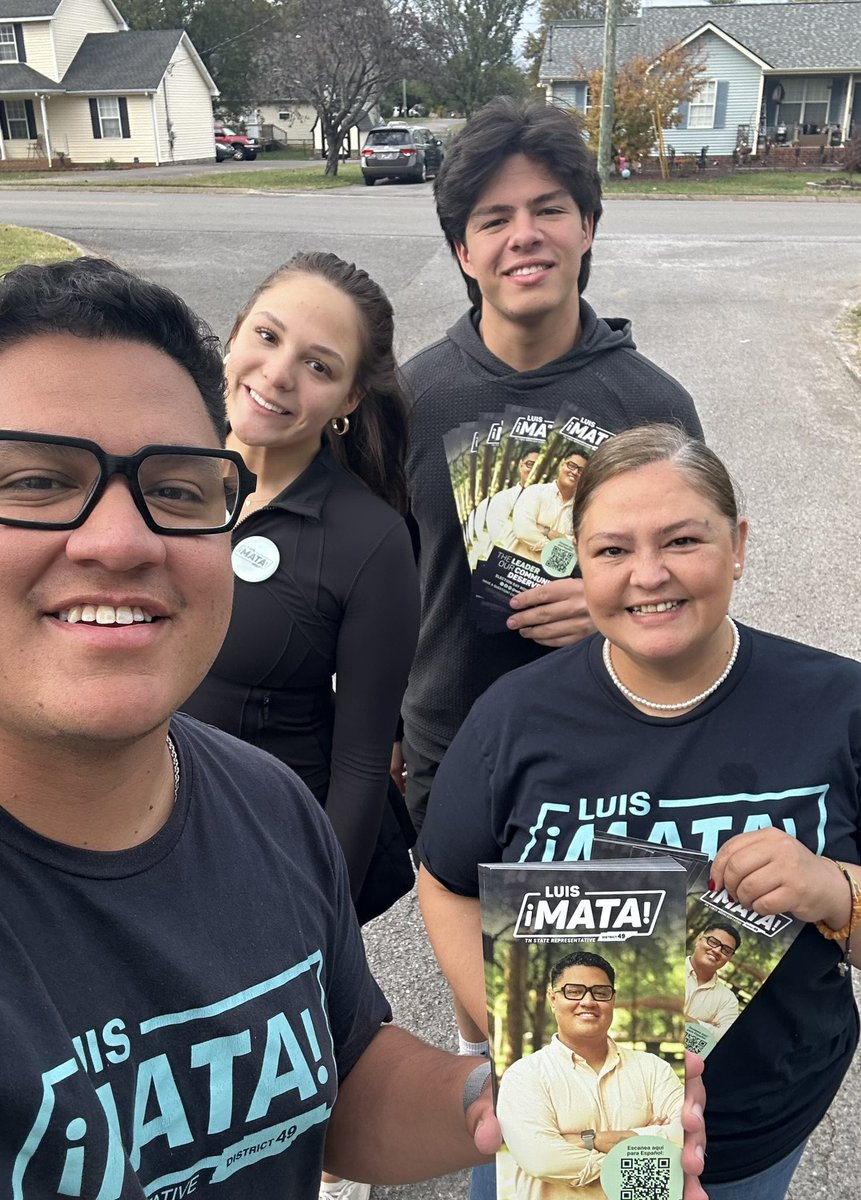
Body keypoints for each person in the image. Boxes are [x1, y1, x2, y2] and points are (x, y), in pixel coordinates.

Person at [0, 256, 508, 1198]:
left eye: (180, 491)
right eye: (37, 480)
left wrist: (514, 1098)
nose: (120, 540)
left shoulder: (270, 809)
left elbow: (338, 1082)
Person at [418, 424, 861, 1200]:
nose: (647, 575)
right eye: (612, 550)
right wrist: (510, 1031)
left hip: (752, 1130)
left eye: (682, 539)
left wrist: (833, 892)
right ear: (580, 565)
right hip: (558, 1127)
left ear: (737, 546)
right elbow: (447, 879)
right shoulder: (512, 719)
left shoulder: (838, 705)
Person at [398, 96, 702, 852]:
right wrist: (380, 730)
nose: (523, 236)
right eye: (493, 219)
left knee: (605, 971)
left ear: (587, 227)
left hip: (617, 749)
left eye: (548, 209)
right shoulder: (408, 402)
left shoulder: (653, 406)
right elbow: (377, 589)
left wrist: (610, 612)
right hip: (453, 748)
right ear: (463, 251)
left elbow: (700, 591)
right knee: (474, 968)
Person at [183, 252, 420, 932]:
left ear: (348, 400)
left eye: (318, 366)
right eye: (267, 335)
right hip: (122, 830)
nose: (278, 374)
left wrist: (321, 919)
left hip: (263, 852)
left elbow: (361, 762)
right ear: (233, 334)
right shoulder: (150, 470)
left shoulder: (369, 542)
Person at [496, 952, 684, 1200]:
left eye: (600, 992)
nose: (588, 1001)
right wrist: (648, 1156)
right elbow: (542, 1159)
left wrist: (587, 1140)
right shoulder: (524, 1076)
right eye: (574, 991)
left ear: (612, 1000)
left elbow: (687, 1134)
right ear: (553, 999)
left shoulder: (653, 1069)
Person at [508, 452, 588, 563]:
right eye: (571, 465)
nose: (575, 472)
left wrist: (544, 530)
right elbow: (523, 530)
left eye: (581, 470)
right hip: (514, 568)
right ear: (562, 464)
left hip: (552, 578)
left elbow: (578, 546)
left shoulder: (582, 510)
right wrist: (556, 548)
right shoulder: (534, 492)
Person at [685, 926, 741, 1042]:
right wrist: (706, 1028)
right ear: (699, 939)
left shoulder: (728, 1000)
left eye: (726, 950)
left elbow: (725, 1039)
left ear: (730, 957)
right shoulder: (665, 969)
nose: (717, 950)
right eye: (713, 942)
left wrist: (692, 1022)